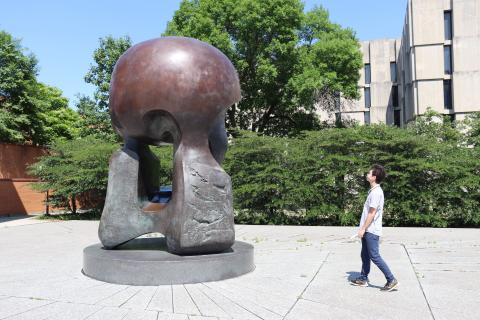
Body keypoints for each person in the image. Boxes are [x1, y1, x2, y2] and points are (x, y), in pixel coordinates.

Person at [350, 164, 399, 291]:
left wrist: (363, 229)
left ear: (374, 177)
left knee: (374, 256)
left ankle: (391, 279)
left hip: (371, 231)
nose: (367, 174)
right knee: (365, 255)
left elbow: (372, 213)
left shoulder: (377, 192)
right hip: (368, 230)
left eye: (369, 173)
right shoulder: (373, 191)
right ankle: (363, 278)